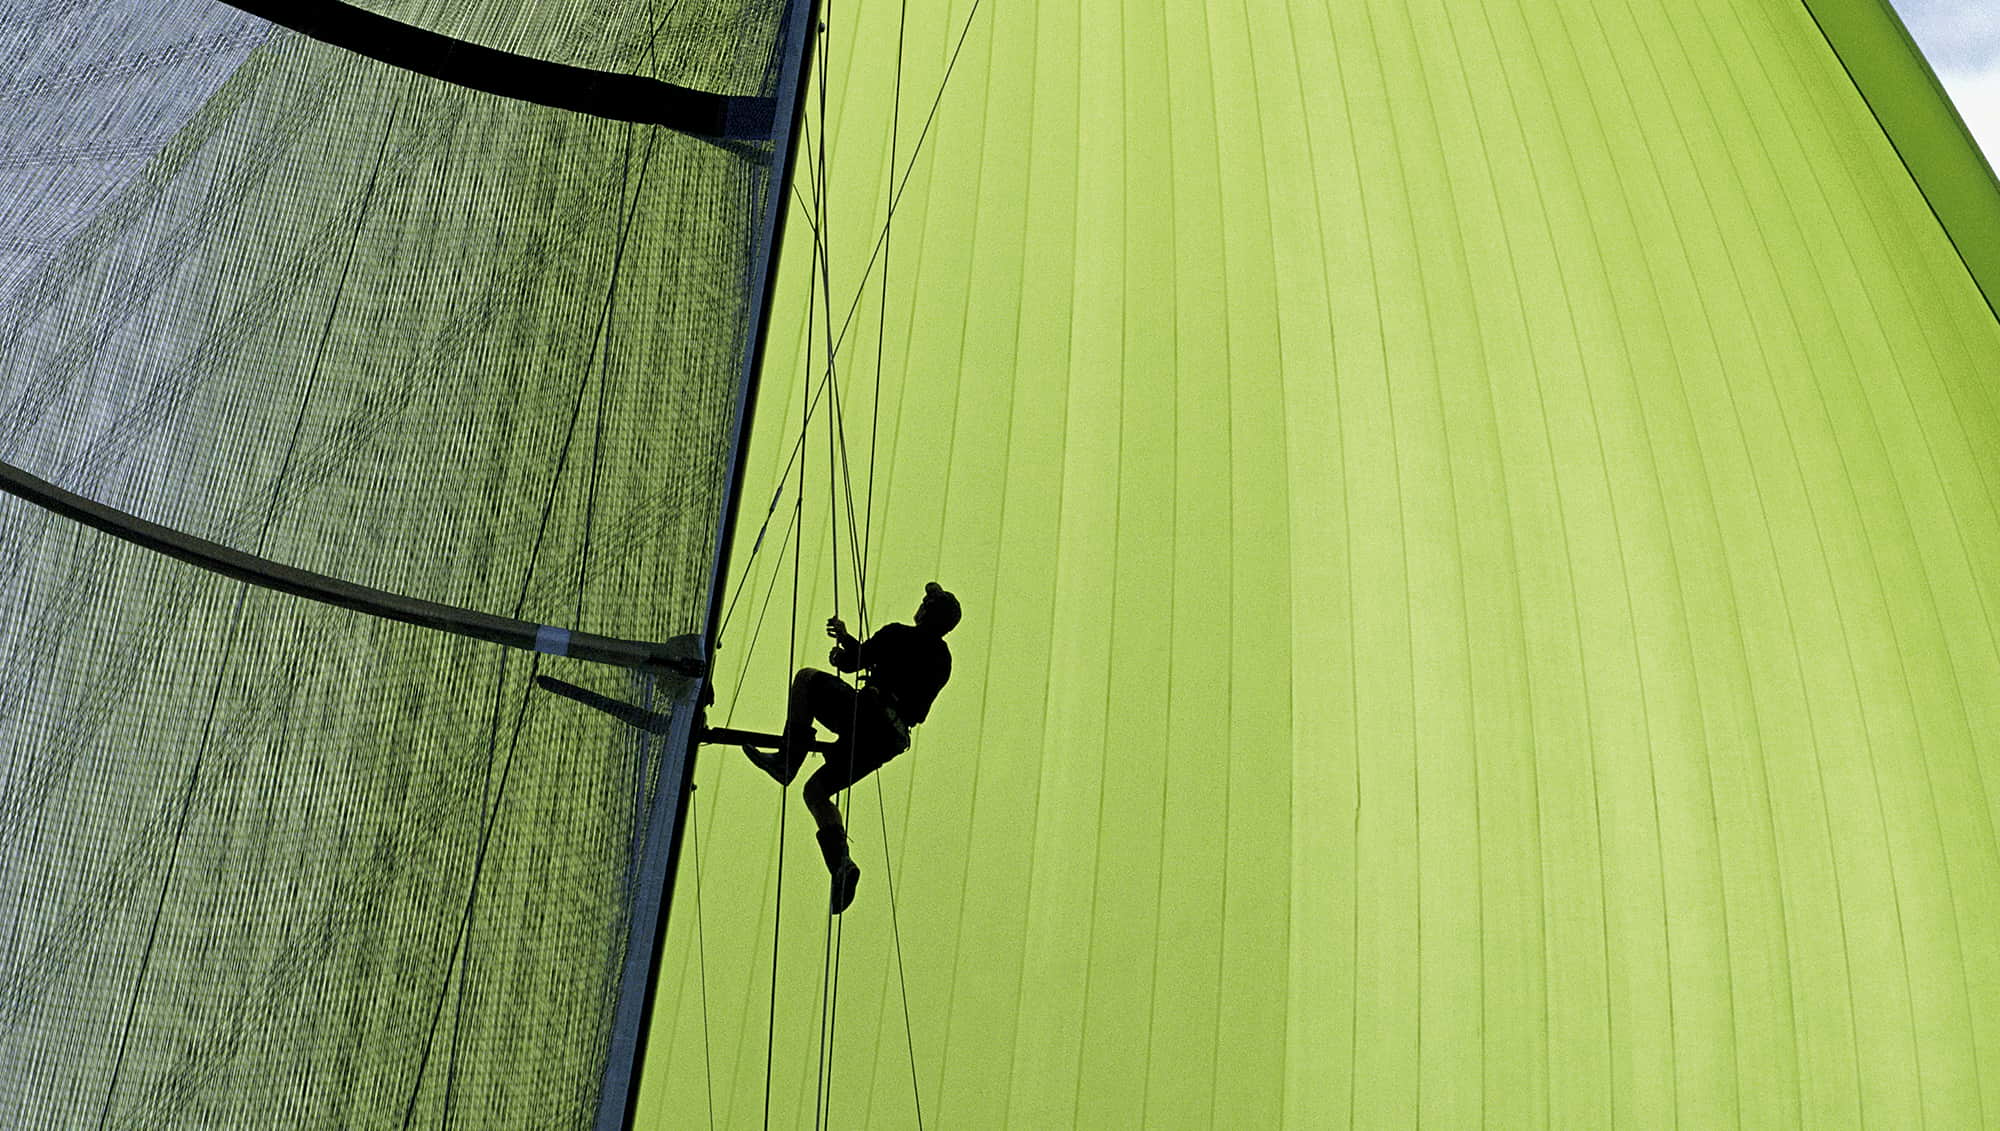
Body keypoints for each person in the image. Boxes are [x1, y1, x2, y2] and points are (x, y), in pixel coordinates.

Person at [742, 581, 959, 913]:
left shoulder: (899, 634)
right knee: (815, 791)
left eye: (925, 603)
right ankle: (841, 864)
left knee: (805, 680)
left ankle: (787, 760)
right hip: (886, 741)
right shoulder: (943, 661)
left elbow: (853, 661)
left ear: (928, 612)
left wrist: (841, 649)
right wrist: (846, 639)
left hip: (866, 716)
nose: (920, 605)